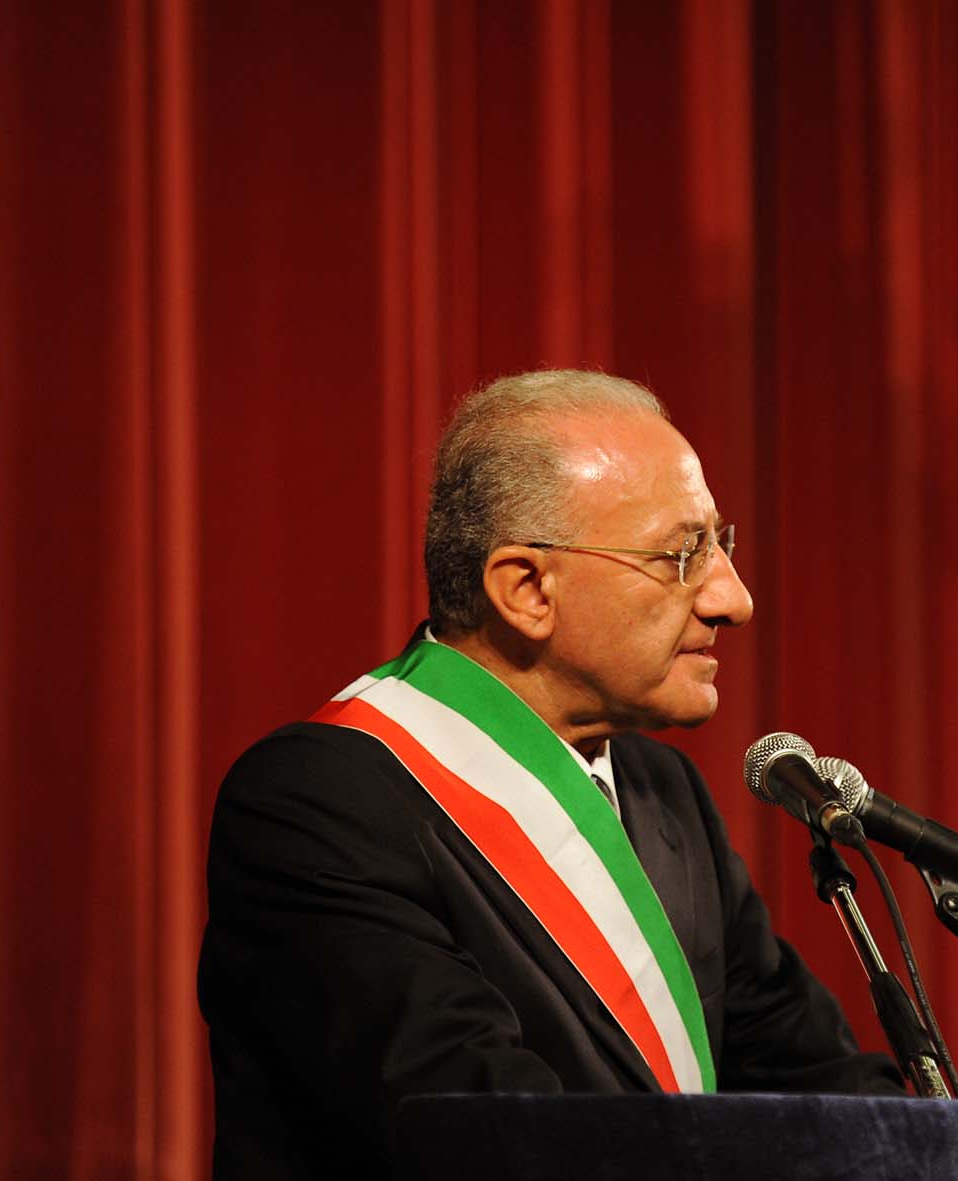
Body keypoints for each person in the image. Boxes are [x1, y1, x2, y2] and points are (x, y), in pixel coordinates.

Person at [198, 370, 899, 1179]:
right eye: (682, 555)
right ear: (527, 589)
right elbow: (485, 1136)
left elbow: (820, 1087)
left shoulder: (666, 797)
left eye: (721, 545)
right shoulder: (319, 803)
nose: (731, 599)